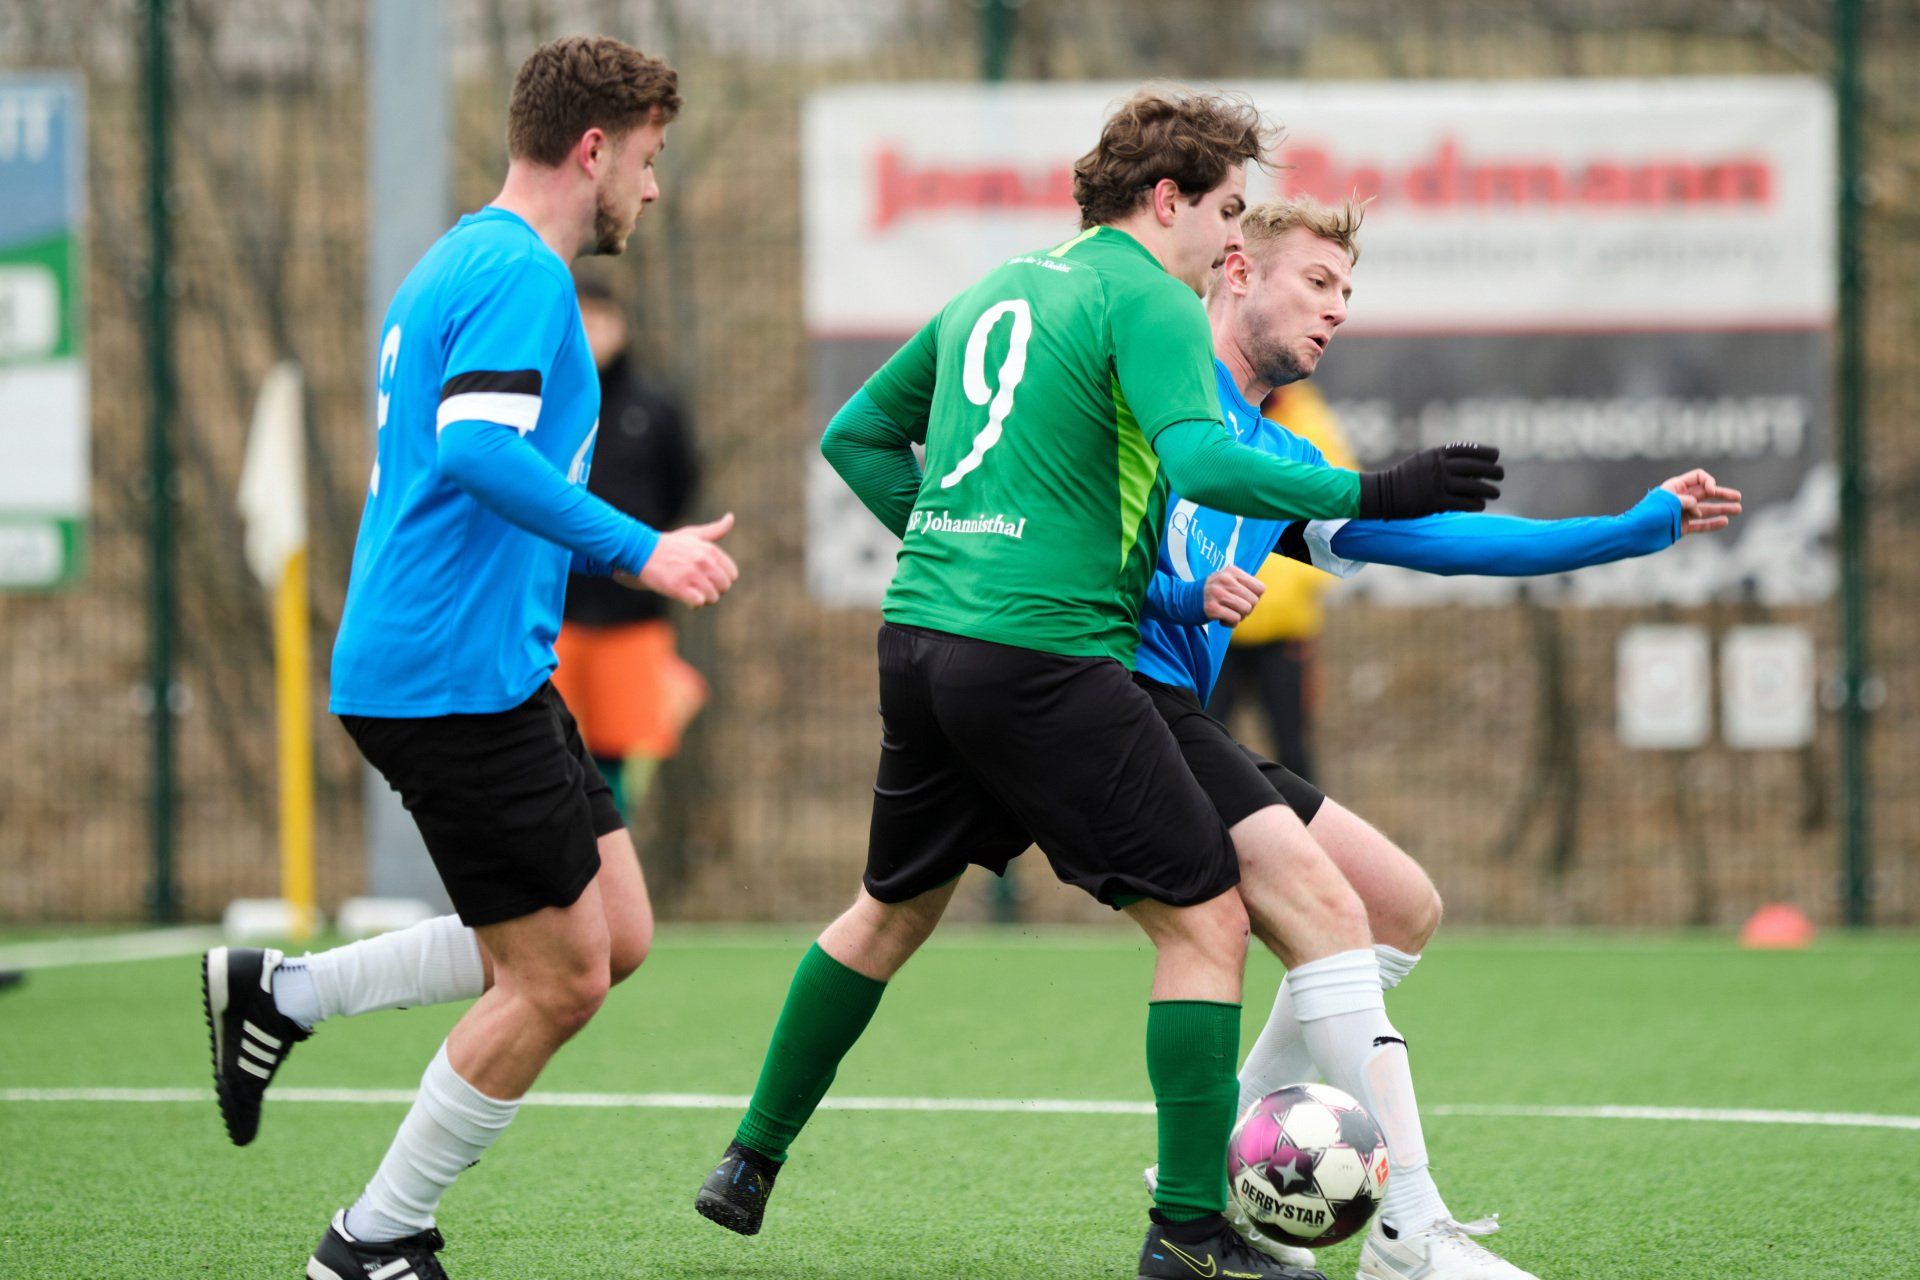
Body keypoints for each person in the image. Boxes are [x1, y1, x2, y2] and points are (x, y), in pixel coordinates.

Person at [692, 88, 1501, 1280]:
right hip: (1044, 657)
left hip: (923, 640)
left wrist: (954, 544)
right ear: (1166, 199)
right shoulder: (1149, 293)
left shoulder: (998, 286)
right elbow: (1204, 457)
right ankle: (1187, 1230)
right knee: (1207, 914)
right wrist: (1373, 490)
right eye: (1227, 209)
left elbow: (856, 434)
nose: (1233, 238)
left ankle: (749, 1156)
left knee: (891, 907)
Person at [197, 37, 737, 1280]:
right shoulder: (522, 273)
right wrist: (641, 550)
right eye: (649, 159)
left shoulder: (464, 254)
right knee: (560, 980)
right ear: (593, 149)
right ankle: (372, 1237)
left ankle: (284, 994)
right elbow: (476, 449)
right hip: (449, 678)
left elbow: (476, 464)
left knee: (615, 929)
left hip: (480, 663)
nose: (653, 188)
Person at [1132, 194, 1741, 1280]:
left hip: (1176, 715)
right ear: (1236, 270)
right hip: (1109, 710)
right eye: (1318, 281)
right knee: (1328, 911)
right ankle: (1409, 1226)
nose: (1338, 308)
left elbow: (1450, 540)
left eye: (1348, 291)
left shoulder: (1277, 454)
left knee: (1400, 904)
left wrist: (1635, 526)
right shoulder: (1156, 404)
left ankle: (1232, 1171)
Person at [555, 274, 706, 818]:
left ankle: (608, 847)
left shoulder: (654, 408)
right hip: (555, 609)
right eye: (581, 320)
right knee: (552, 748)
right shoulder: (545, 403)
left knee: (618, 753)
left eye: (601, 319)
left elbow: (681, 484)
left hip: (633, 615)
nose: (592, 332)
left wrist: (644, 553)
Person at [1206, 382, 1356, 780]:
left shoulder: (1308, 418)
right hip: (1213, 625)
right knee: (1198, 747)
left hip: (1285, 628)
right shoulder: (1210, 405)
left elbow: (1341, 508)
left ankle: (1299, 822)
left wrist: (1298, 587)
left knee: (1294, 751)